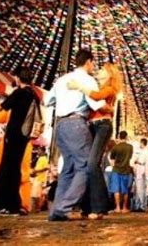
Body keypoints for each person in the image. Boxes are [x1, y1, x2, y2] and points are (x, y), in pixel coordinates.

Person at [44, 49, 107, 221]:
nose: (93, 67)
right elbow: (96, 104)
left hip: (60, 125)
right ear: (88, 62)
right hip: (76, 123)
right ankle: (64, 206)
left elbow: (47, 100)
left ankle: (57, 209)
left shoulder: (62, 79)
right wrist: (108, 104)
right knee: (85, 166)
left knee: (68, 169)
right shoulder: (87, 80)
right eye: (93, 63)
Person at [0, 67, 39, 215]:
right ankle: (14, 203)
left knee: (6, 168)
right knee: (15, 169)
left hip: (12, 136)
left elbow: (1, 108)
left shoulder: (18, 92)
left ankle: (1, 201)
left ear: (18, 78)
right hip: (24, 137)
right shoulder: (34, 95)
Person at [67, 62, 121, 220]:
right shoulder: (97, 88)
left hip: (103, 126)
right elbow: (95, 102)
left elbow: (97, 97)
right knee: (87, 165)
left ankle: (100, 207)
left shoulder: (109, 89)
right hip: (91, 126)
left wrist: (79, 86)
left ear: (110, 74)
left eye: (103, 69)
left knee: (92, 164)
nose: (99, 71)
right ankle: (88, 206)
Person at [109, 131, 133, 213]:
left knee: (116, 190)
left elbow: (112, 159)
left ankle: (118, 207)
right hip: (126, 169)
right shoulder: (130, 147)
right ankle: (124, 207)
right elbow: (130, 157)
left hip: (116, 169)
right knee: (125, 190)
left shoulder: (116, 147)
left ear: (119, 137)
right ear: (126, 137)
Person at [31, 146, 49, 212]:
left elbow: (46, 167)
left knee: (36, 194)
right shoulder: (39, 158)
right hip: (37, 177)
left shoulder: (44, 158)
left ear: (42, 151)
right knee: (34, 194)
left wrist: (37, 171)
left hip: (40, 178)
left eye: (39, 150)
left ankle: (37, 208)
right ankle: (36, 208)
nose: (38, 152)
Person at [133, 138, 148, 211]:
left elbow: (143, 162)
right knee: (138, 189)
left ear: (142, 143)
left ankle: (142, 205)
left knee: (141, 189)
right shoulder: (142, 152)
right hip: (140, 170)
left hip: (142, 170)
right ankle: (138, 205)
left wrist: (137, 161)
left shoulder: (146, 152)